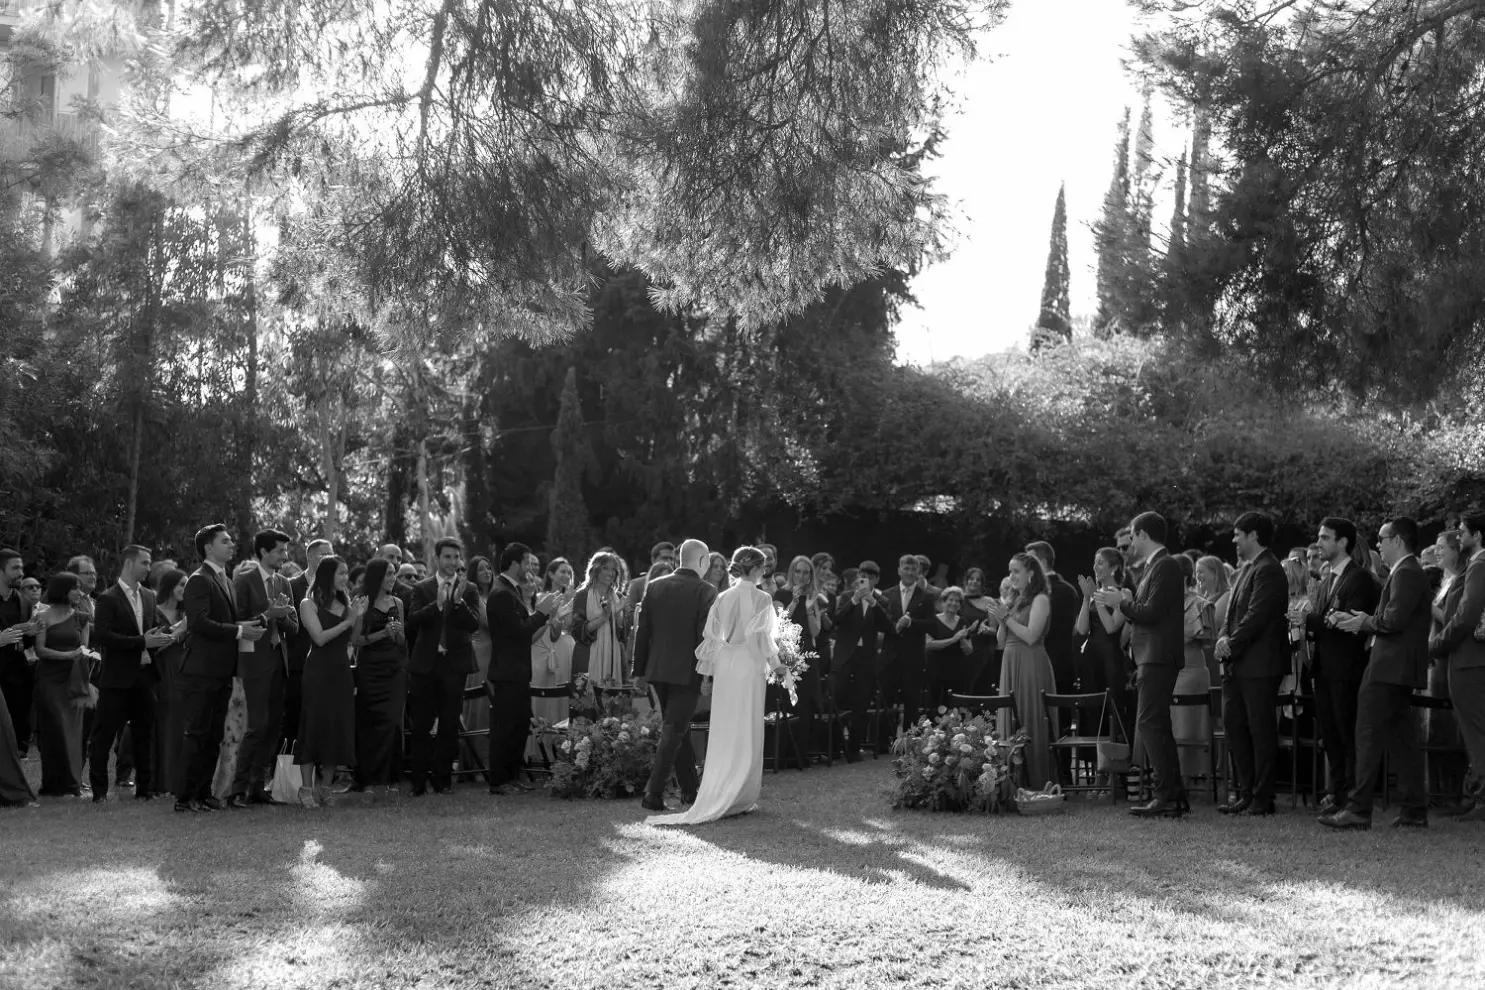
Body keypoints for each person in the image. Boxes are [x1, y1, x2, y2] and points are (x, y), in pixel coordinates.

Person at [648, 546, 778, 826]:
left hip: (727, 668)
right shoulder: (763, 599)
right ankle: (740, 793)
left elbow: (711, 640)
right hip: (749, 666)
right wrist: (779, 666)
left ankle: (721, 788)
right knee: (746, 727)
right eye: (763, 568)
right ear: (756, 569)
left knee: (724, 727)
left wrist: (708, 675)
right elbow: (762, 642)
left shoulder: (721, 596)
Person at [1322, 517, 1433, 830]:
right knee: (1402, 739)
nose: (1378, 546)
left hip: (1389, 666)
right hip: (1394, 666)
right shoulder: (1406, 572)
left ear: (1397, 540)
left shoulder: (1408, 571)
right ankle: (1413, 809)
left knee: (1367, 734)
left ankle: (1359, 809)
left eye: (1383, 539)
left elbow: (1393, 620)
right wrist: (1366, 619)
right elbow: (1391, 617)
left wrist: (1363, 622)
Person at [1096, 511, 1187, 818]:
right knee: (1155, 724)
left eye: (1133, 536)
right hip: (1151, 655)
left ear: (1144, 535)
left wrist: (1119, 603)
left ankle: (1166, 796)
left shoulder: (1166, 565)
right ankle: (1173, 796)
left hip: (1159, 655)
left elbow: (1151, 612)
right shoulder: (1154, 567)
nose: (1130, 542)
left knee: (1150, 724)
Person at [176, 524, 265, 813]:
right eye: (224, 541)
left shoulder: (225, 580)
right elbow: (199, 622)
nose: (231, 544)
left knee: (214, 735)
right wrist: (239, 631)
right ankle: (184, 797)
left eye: (230, 540)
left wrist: (250, 625)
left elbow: (229, 620)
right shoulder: (198, 580)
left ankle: (203, 794)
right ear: (208, 548)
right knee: (196, 733)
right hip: (201, 670)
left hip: (222, 670)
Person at [632, 539, 718, 813]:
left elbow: (642, 631)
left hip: (658, 669)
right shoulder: (706, 590)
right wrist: (707, 673)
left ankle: (690, 791)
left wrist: (638, 670)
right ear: (702, 561)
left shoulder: (655, 586)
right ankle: (653, 793)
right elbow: (704, 635)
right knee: (674, 730)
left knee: (676, 728)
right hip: (688, 669)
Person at [1213, 511, 1289, 816]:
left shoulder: (1269, 569)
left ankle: (1262, 797)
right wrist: (1222, 637)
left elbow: (1256, 615)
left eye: (1237, 534)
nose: (1234, 540)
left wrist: (1230, 643)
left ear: (1254, 535)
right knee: (1235, 727)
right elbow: (1231, 613)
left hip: (1258, 665)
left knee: (1260, 731)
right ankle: (1245, 792)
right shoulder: (1246, 569)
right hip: (1237, 664)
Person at [88, 546, 173, 803]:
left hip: (145, 676)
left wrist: (166, 635)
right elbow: (102, 636)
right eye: (145, 563)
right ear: (128, 563)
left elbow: (156, 628)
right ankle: (100, 792)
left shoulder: (148, 596)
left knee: (144, 733)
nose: (149, 568)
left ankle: (145, 789)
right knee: (103, 735)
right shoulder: (108, 598)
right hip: (117, 677)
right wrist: (141, 642)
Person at [226, 529, 299, 807]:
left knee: (271, 727)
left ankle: (257, 788)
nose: (285, 556)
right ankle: (237, 790)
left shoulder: (283, 582)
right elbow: (238, 623)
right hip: (252, 661)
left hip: (278, 662)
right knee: (255, 726)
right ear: (264, 552)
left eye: (285, 551)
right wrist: (268, 615)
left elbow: (293, 627)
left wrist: (280, 618)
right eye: (280, 550)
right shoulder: (243, 581)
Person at [407, 537, 484, 795]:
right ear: (437, 559)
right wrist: (438, 603)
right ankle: (418, 781)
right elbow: (414, 621)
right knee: (421, 723)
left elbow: (474, 625)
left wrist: (458, 602)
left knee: (449, 724)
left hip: (454, 664)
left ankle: (442, 781)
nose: (452, 562)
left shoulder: (469, 588)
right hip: (426, 663)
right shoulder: (422, 587)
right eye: (447, 557)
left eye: (456, 557)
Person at [487, 542, 558, 795]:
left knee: (518, 724)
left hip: (517, 670)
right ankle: (499, 780)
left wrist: (545, 614)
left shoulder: (511, 591)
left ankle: (511, 775)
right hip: (507, 671)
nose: (530, 568)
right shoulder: (502, 593)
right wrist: (541, 613)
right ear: (515, 563)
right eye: (527, 562)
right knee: (506, 727)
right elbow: (519, 633)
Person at [982, 554, 1058, 789]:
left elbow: (1032, 636)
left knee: (1029, 717)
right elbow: (1001, 642)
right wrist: (1001, 619)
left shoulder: (1041, 599)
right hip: (1010, 660)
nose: (1011, 576)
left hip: (1031, 662)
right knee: (1009, 717)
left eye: (1016, 571)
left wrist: (1006, 617)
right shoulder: (1014, 599)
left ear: (1031, 573)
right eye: (1010, 571)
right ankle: (1010, 782)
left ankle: (1036, 782)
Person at [1430, 511, 1485, 822]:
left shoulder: (1479, 564)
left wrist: (1437, 645)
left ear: (1476, 536)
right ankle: (1475, 793)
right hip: (1469, 658)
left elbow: (1465, 615)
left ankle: (1481, 798)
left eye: (1462, 532)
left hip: (1469, 659)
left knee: (1476, 730)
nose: (1458, 536)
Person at [295, 556, 363, 807]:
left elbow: (353, 639)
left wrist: (358, 616)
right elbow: (320, 638)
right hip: (318, 671)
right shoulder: (308, 603)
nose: (346, 578)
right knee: (313, 725)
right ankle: (305, 789)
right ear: (327, 575)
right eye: (341, 573)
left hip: (341, 671)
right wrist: (347, 620)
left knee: (337, 726)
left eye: (347, 573)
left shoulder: (344, 603)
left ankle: (326, 788)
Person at [349, 557, 408, 796]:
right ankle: (370, 781)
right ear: (377, 577)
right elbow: (355, 640)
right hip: (370, 670)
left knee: (392, 723)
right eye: (388, 574)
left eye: (394, 573)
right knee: (371, 725)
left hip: (394, 670)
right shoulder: (361, 602)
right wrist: (382, 633)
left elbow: (403, 641)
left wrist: (395, 635)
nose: (393, 578)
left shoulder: (398, 602)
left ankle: (390, 780)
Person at [32, 572, 90, 798]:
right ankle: (53, 784)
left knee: (73, 731)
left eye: (79, 588)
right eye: (74, 588)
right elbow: (40, 649)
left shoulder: (82, 618)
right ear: (61, 589)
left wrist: (83, 657)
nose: (79, 592)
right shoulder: (42, 616)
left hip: (73, 680)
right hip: (49, 679)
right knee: (54, 728)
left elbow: (83, 649)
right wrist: (67, 656)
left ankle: (72, 783)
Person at [830, 561, 890, 761]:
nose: (866, 580)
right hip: (846, 655)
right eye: (863, 576)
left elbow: (887, 626)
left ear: (876, 580)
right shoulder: (847, 597)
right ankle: (836, 746)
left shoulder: (882, 600)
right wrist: (855, 600)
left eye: (871, 577)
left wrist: (874, 603)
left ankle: (854, 748)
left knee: (862, 701)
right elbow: (836, 620)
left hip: (867, 657)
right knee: (837, 697)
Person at [772, 555, 824, 769]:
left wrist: (810, 608)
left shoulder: (813, 596)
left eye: (806, 572)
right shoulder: (781, 593)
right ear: (791, 572)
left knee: (805, 705)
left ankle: (803, 754)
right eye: (798, 571)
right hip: (786, 655)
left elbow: (815, 631)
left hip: (807, 654)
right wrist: (794, 601)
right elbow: (778, 624)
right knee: (787, 702)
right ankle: (784, 755)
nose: (802, 576)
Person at [1075, 548, 1131, 743]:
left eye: (1100, 563)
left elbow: (1111, 627)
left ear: (1114, 567)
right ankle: (1093, 760)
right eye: (1094, 562)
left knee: (1112, 705)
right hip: (1091, 656)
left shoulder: (1123, 593)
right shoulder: (1093, 595)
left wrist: (1097, 600)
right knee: (1091, 707)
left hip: (1111, 657)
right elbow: (1082, 630)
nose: (1095, 567)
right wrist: (1086, 598)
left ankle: (1117, 757)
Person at [283, 539, 332, 758]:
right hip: (299, 663)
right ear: (310, 557)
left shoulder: (336, 587)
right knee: (293, 719)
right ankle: (283, 773)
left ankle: (318, 770)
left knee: (321, 720)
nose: (329, 557)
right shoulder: (293, 586)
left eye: (331, 553)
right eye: (323, 554)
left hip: (327, 663)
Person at [880, 554, 936, 736]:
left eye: (913, 569)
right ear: (899, 570)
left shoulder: (927, 596)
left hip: (913, 657)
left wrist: (912, 623)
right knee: (886, 699)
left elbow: (932, 625)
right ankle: (884, 740)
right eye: (906, 568)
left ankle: (910, 740)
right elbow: (882, 623)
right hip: (890, 655)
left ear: (918, 571)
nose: (910, 572)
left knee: (912, 700)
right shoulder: (887, 594)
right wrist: (894, 624)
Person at [1173, 555, 1214, 782]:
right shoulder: (1166, 601)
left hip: (1192, 668)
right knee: (1174, 724)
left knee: (1191, 725)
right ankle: (1176, 773)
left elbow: (1206, 637)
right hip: (1171, 668)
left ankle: (1194, 773)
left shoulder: (1197, 603)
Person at [150, 568, 190, 797]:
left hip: (186, 670)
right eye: (181, 585)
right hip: (163, 670)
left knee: (184, 725)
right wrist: (179, 630)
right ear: (169, 586)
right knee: (167, 725)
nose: (184, 590)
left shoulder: (188, 613)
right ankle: (162, 781)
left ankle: (180, 779)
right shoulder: (154, 612)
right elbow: (154, 645)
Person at [531, 558, 576, 729]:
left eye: (569, 573)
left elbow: (570, 625)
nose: (566, 575)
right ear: (550, 574)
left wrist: (569, 601)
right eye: (562, 571)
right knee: (544, 692)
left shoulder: (571, 597)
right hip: (545, 647)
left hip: (566, 649)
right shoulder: (541, 597)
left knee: (563, 693)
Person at [0, 548, 36, 761]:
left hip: (17, 678)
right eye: (15, 568)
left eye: (21, 568)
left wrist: (31, 634)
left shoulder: (25, 603)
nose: (21, 573)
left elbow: (26, 642)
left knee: (18, 736)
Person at [924, 586, 975, 709]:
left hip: (957, 673)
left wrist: (962, 638)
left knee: (955, 710)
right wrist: (953, 639)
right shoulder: (932, 621)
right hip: (936, 671)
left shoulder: (963, 622)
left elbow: (969, 651)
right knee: (935, 709)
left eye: (957, 601)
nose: (954, 603)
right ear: (943, 602)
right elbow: (928, 645)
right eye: (950, 600)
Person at [464, 555, 496, 736]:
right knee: (481, 704)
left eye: (489, 568)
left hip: (495, 653)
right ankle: (478, 755)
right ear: (473, 574)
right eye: (481, 569)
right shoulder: (474, 595)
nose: (487, 572)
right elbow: (491, 624)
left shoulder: (494, 594)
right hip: (481, 653)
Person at [959, 567, 1000, 695]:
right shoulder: (957, 599)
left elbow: (995, 630)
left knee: (981, 688)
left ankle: (982, 715)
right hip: (961, 649)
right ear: (966, 581)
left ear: (982, 584)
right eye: (971, 579)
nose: (974, 582)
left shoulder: (989, 601)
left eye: (978, 580)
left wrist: (986, 629)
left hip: (982, 650)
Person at [1195, 555, 1233, 683]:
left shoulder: (1226, 595)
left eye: (1201, 572)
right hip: (1202, 657)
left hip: (1215, 657)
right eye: (1196, 572)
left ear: (1215, 573)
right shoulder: (1201, 597)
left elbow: (1212, 622)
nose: (1197, 576)